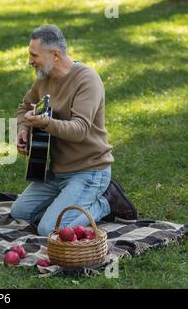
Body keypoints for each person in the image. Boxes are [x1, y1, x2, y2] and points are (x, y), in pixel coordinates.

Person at [11, 25, 137, 236]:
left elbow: (80, 130)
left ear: (55, 55)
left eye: (34, 55)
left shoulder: (87, 80)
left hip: (89, 170)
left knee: (49, 229)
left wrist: (44, 123)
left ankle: (106, 202)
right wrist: (23, 129)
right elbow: (24, 107)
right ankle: (67, 201)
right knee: (20, 213)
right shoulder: (43, 77)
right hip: (56, 171)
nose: (29, 61)